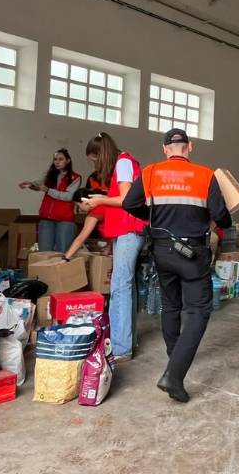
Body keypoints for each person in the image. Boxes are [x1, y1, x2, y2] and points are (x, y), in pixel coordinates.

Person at [123, 128, 231, 403]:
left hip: (161, 250)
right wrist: (220, 219)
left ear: (164, 149)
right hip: (192, 253)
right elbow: (220, 215)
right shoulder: (205, 175)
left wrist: (151, 216)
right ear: (189, 147)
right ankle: (174, 374)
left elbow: (129, 203)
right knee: (198, 310)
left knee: (170, 305)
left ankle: (174, 357)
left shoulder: (150, 172)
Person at [82, 133, 147, 360]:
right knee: (125, 285)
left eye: (94, 159)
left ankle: (120, 347)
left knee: (120, 285)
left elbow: (126, 199)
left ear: (102, 154)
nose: (95, 164)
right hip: (126, 231)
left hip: (131, 230)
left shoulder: (123, 163)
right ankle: (126, 341)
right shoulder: (124, 163)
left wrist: (99, 200)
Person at [19, 149, 81, 252]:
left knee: (62, 251)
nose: (57, 162)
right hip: (47, 219)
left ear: (68, 161)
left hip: (65, 220)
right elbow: (39, 185)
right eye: (55, 159)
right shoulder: (50, 175)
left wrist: (48, 190)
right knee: (44, 251)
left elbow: (69, 196)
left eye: (60, 159)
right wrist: (30, 185)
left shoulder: (75, 177)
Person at [62, 188, 108, 260]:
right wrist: (109, 247)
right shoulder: (105, 204)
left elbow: (81, 238)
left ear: (84, 201)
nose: (79, 209)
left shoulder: (95, 213)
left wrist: (66, 258)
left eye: (78, 205)